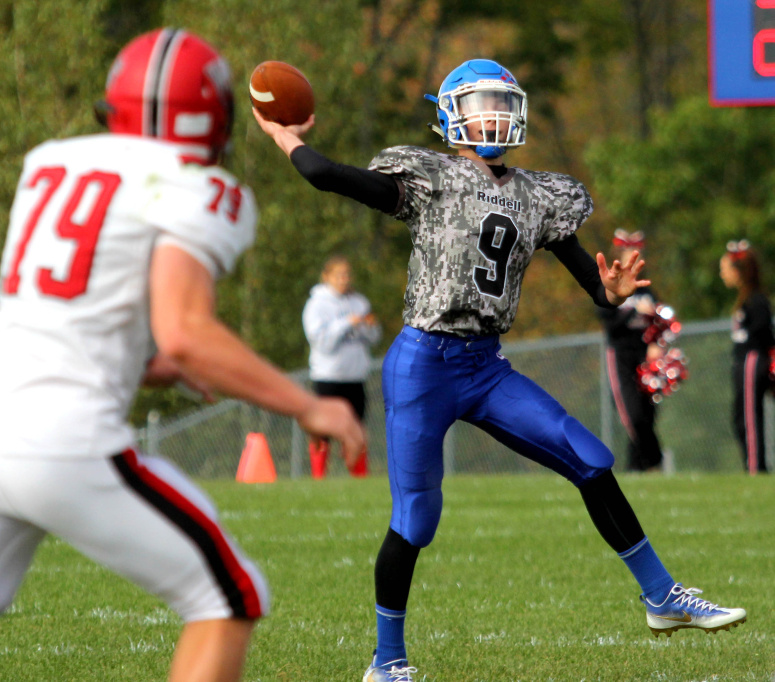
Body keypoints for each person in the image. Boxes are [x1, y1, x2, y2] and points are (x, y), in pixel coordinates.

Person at [0, 28, 364, 682]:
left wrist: (170, 366)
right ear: (210, 119)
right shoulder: (197, 188)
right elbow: (185, 330)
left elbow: (86, 323)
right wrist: (310, 407)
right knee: (228, 597)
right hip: (61, 440)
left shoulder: (50, 162)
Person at [253, 58, 746, 682]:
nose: (491, 115)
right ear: (449, 115)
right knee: (417, 519)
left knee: (590, 457)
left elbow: (594, 286)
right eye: (478, 103)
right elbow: (327, 175)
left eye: (500, 103)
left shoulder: (540, 195)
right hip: (423, 365)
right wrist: (283, 135)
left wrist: (614, 290)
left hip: (485, 366)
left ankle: (662, 598)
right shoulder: (428, 174)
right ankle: (388, 660)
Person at [303, 255, 381, 478]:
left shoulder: (359, 302)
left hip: (355, 377)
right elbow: (320, 341)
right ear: (326, 277)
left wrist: (369, 326)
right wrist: (347, 323)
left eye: (347, 274)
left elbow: (373, 338)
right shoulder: (316, 305)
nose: (344, 279)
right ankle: (319, 477)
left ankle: (358, 478)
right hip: (328, 377)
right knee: (322, 430)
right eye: (338, 275)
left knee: (357, 430)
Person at [597, 230, 666, 472]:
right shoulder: (611, 286)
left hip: (644, 358)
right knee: (632, 415)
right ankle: (655, 462)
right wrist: (631, 311)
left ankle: (637, 469)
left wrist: (656, 342)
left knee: (647, 415)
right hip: (620, 356)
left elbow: (661, 324)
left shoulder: (646, 290)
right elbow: (607, 321)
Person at [719, 239, 773, 474]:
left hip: (752, 362)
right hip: (743, 363)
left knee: (750, 418)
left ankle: (755, 468)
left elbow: (764, 336)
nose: (722, 274)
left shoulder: (757, 301)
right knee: (740, 418)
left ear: (739, 271)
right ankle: (752, 467)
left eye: (725, 269)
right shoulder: (745, 300)